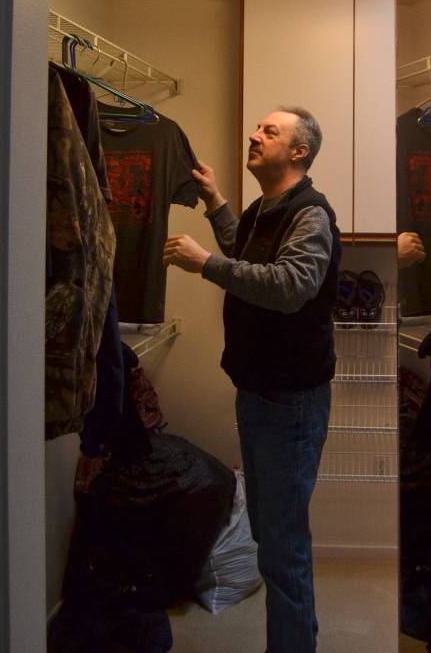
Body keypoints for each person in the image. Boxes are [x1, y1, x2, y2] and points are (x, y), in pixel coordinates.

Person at [163, 107, 340, 653]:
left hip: (291, 404)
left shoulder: (311, 214)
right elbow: (246, 250)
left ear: (299, 152)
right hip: (261, 396)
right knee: (271, 538)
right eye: (257, 127)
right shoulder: (269, 208)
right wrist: (216, 202)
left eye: (270, 131)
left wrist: (206, 264)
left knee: (283, 548)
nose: (254, 135)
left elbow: (290, 286)